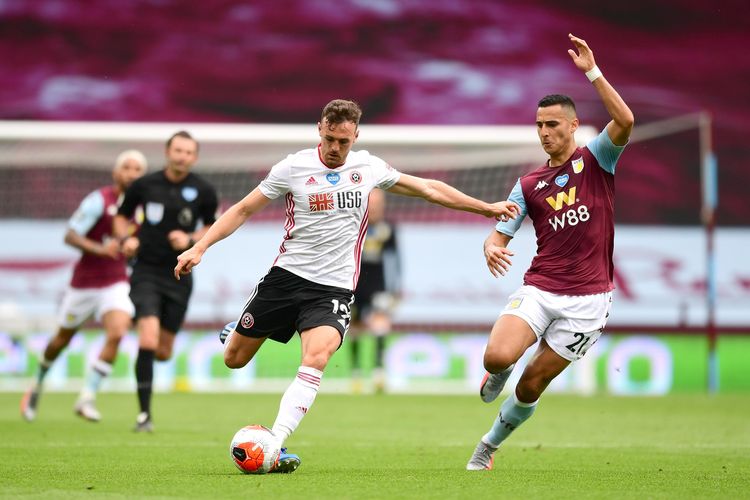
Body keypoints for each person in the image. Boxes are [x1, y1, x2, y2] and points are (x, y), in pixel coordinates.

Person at [174, 99, 520, 473]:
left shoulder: (368, 166)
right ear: (318, 131)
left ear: (356, 135)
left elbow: (427, 189)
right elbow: (242, 209)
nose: (336, 148)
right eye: (329, 139)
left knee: (316, 358)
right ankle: (236, 330)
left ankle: (275, 441)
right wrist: (200, 246)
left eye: (343, 141)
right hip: (286, 278)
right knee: (234, 359)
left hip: (333, 289)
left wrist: (484, 207)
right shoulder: (292, 168)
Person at [466, 33, 634, 470]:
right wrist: (490, 245)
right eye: (539, 125)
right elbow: (500, 233)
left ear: (573, 126)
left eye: (552, 125)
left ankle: (488, 446)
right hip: (541, 287)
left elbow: (626, 120)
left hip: (589, 300)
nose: (544, 133)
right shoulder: (528, 185)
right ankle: (498, 372)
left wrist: (593, 73)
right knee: (497, 356)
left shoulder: (597, 160)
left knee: (531, 385)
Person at [20, 150, 148, 422]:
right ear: (116, 173)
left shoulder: (143, 209)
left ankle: (87, 396)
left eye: (138, 169)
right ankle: (38, 382)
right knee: (60, 340)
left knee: (118, 331)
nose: (132, 174)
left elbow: (140, 244)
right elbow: (70, 235)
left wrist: (136, 247)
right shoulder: (98, 201)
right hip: (83, 284)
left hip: (115, 281)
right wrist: (99, 249)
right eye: (127, 167)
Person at [113, 131, 218, 432]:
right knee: (147, 339)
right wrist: (125, 240)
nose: (182, 156)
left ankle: (151, 354)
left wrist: (191, 239)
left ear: (194, 157)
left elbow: (213, 226)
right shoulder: (144, 185)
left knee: (163, 351)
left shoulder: (203, 190)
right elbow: (121, 217)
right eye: (178, 150)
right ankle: (144, 415)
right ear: (167, 152)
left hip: (179, 275)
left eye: (188, 152)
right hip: (145, 270)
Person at [349, 188, 400, 393]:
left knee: (380, 324)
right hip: (355, 284)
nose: (376, 206)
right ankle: (356, 373)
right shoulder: (353, 226)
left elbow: (395, 260)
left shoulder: (388, 228)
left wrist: (395, 289)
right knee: (355, 328)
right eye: (373, 202)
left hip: (378, 285)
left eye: (380, 202)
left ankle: (379, 372)